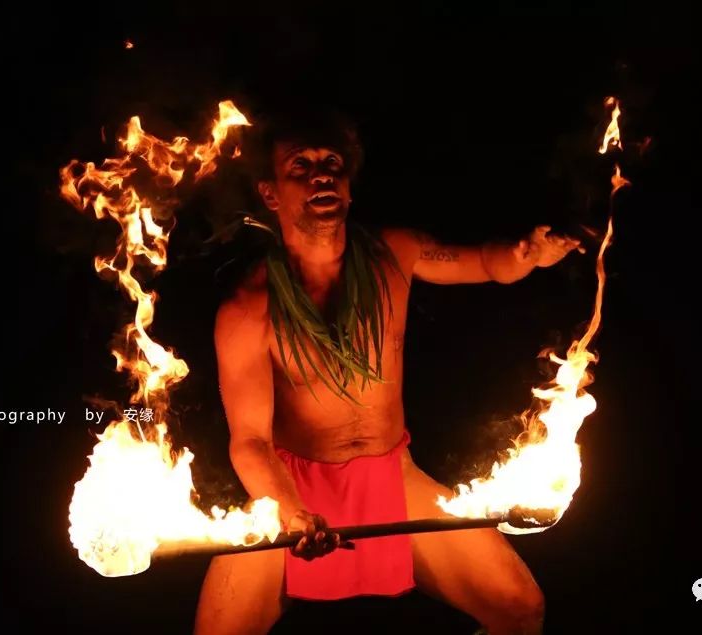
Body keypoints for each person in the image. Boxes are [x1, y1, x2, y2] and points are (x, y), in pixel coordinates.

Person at [194, 111, 580, 635]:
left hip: (393, 476)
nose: (321, 175)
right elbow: (250, 441)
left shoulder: (394, 254)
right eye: (300, 166)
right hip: (294, 487)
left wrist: (529, 253)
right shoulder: (249, 307)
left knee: (519, 607)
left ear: (349, 186)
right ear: (271, 193)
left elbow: (490, 263)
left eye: (332, 163)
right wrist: (290, 511)